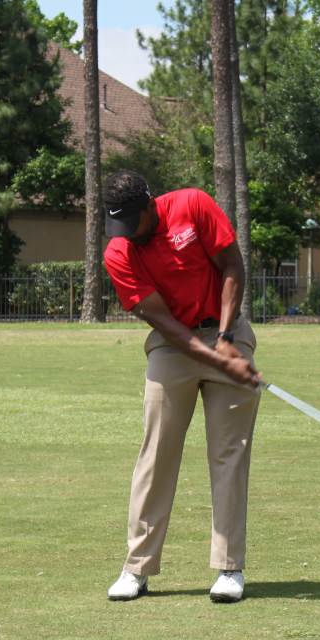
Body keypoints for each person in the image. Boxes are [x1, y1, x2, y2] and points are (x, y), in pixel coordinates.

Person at [100, 170, 262, 604]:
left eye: (133, 222)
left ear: (150, 204)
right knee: (156, 453)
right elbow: (162, 321)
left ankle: (230, 568)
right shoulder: (119, 251)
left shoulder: (192, 205)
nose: (127, 234)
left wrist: (227, 341)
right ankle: (137, 569)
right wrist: (213, 357)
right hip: (173, 347)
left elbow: (232, 266)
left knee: (228, 453)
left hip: (224, 330)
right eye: (120, 225)